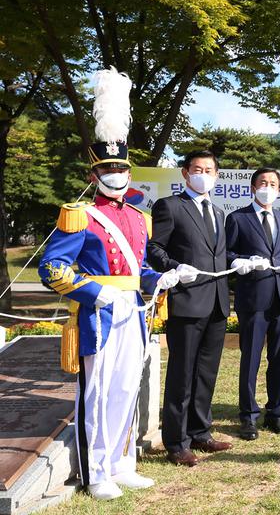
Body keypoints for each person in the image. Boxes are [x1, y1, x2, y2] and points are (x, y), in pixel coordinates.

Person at [38, 67, 177, 499]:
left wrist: (163, 276)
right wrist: (98, 292)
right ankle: (97, 471)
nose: (117, 173)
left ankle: (122, 462)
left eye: (122, 167)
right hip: (98, 316)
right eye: (108, 168)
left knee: (126, 387)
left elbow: (137, 268)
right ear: (94, 175)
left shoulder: (139, 217)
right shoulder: (79, 215)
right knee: (96, 395)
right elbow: (53, 269)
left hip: (134, 314)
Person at [148, 150, 232, 467]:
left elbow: (218, 254)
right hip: (186, 300)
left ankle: (200, 432)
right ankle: (176, 441)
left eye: (209, 169)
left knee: (206, 373)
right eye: (197, 169)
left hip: (217, 302)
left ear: (216, 175)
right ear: (185, 173)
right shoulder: (170, 206)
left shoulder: (219, 212)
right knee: (181, 376)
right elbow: (154, 248)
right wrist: (174, 267)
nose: (203, 174)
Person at [226, 168, 280, 440]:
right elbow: (225, 253)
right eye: (263, 182)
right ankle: (248, 416)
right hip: (253, 297)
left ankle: (276, 412)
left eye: (273, 183)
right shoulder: (238, 218)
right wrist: (239, 262)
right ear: (253, 187)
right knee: (251, 358)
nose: (268, 187)